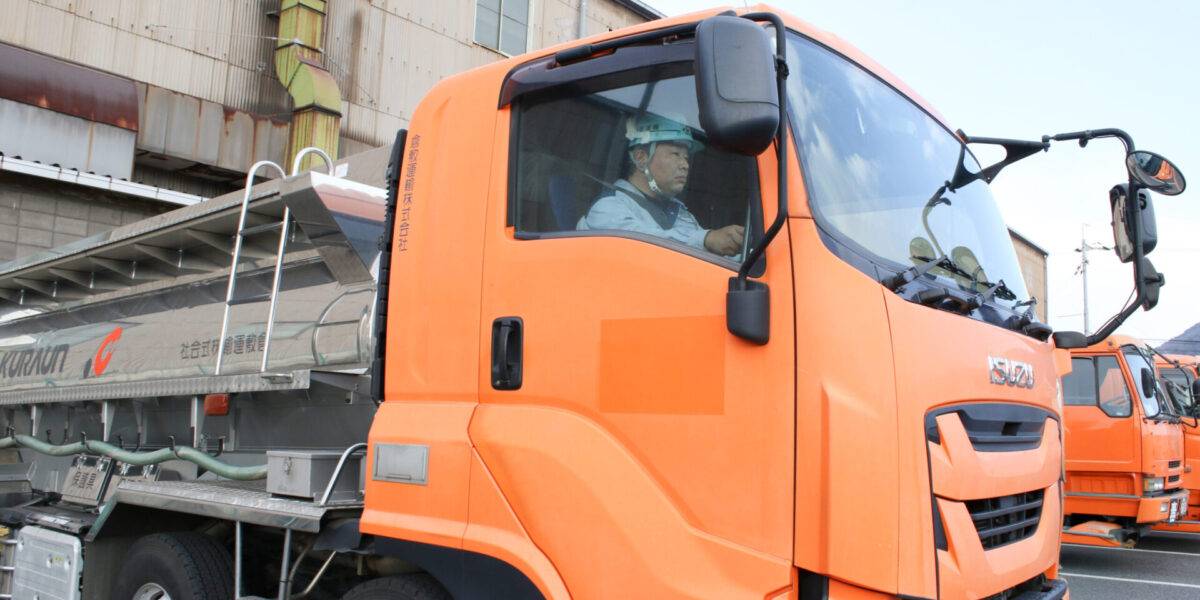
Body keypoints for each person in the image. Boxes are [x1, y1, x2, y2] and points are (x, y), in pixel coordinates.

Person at [577, 113, 745, 256]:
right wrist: (707, 240)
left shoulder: (681, 213)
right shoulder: (608, 207)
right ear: (641, 158)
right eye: (675, 154)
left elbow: (707, 255)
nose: (685, 165)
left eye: (686, 157)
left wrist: (743, 252)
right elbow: (643, 244)